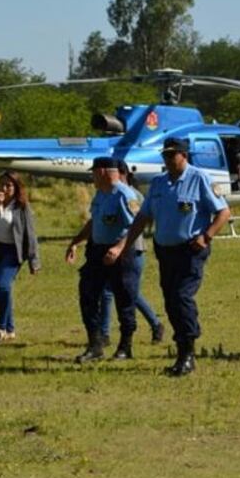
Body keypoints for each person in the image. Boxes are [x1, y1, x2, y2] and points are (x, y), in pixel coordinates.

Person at [105, 137, 231, 377]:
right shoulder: (159, 183)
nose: (167, 159)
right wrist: (123, 246)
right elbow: (142, 218)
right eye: (165, 154)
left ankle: (187, 352)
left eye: (172, 154)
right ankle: (185, 344)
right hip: (165, 251)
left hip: (190, 249)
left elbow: (223, 212)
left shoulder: (199, 178)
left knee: (181, 297)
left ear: (184, 155)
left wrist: (207, 236)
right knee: (171, 301)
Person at [65, 156, 141, 363]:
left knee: (125, 299)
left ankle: (126, 346)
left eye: (94, 172)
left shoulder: (125, 195)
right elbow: (94, 222)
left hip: (121, 253)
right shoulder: (100, 194)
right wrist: (76, 241)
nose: (92, 177)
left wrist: (118, 248)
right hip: (97, 252)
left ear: (103, 172)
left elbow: (136, 226)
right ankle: (95, 345)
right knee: (88, 295)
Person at [96, 160, 165, 346]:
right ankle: (154, 323)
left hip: (131, 249)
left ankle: (106, 334)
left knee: (120, 292)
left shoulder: (130, 194)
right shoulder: (106, 193)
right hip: (115, 250)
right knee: (122, 292)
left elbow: (142, 220)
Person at [0, 171, 41, 344]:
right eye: (1, 185)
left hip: (13, 252)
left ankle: (1, 327)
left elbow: (31, 234)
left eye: (8, 185)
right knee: (1, 289)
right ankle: (10, 330)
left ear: (16, 187)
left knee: (3, 285)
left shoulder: (22, 207)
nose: (4, 188)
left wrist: (34, 260)